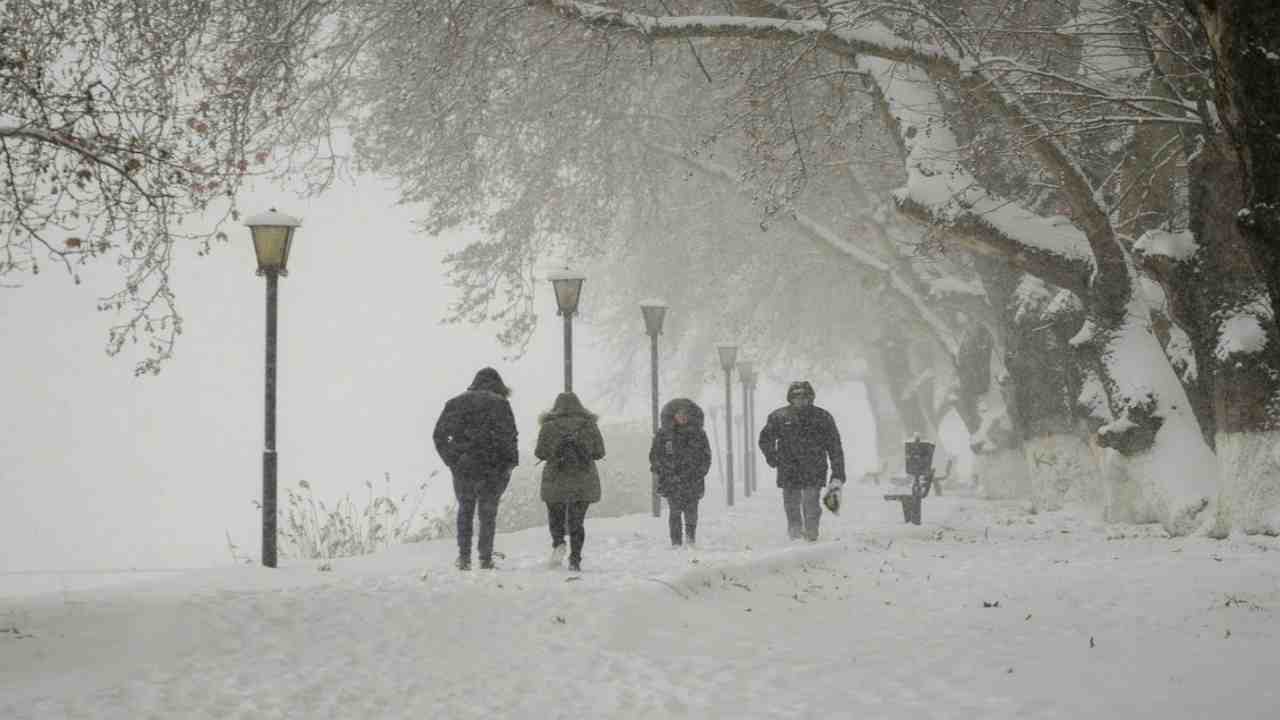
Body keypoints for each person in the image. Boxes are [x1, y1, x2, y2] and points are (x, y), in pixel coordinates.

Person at [432, 367, 518, 570]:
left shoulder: (455, 403)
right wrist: (508, 465)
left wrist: (453, 459)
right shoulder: (501, 404)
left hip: (465, 466)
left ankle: (464, 557)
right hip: (493, 467)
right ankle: (485, 558)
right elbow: (510, 437)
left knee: (465, 510)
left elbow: (439, 436)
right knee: (488, 512)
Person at [757, 380, 846, 541]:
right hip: (788, 469)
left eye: (804, 397)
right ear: (791, 398)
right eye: (797, 397)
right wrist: (773, 457)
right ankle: (795, 532)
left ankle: (811, 532)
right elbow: (765, 440)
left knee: (810, 503)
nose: (801, 400)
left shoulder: (822, 417)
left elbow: (834, 446)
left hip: (814, 468)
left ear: (810, 398)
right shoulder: (779, 417)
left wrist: (838, 471)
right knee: (791, 504)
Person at [534, 391, 606, 572]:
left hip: (556, 479)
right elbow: (599, 453)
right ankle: (575, 559)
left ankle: (558, 543)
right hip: (583, 479)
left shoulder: (549, 426)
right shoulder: (589, 425)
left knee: (556, 516)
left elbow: (540, 453)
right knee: (577, 521)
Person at [649, 398, 712, 548]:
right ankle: (675, 541)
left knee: (691, 511)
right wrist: (662, 470)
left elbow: (706, 456)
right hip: (672, 480)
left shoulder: (699, 434)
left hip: (692, 479)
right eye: (679, 414)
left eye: (686, 414)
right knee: (675, 512)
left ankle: (691, 538)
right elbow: (655, 455)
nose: (683, 417)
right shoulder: (664, 434)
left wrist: (700, 472)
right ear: (673, 416)